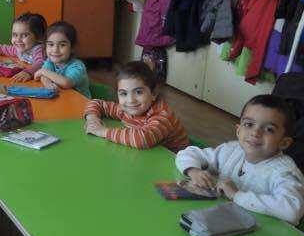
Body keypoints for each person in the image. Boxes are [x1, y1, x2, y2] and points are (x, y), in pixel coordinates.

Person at [176, 94, 304, 223]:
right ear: (238, 130)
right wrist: (194, 171)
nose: (255, 133)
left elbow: (292, 210)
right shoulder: (230, 150)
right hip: (223, 221)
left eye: (269, 129)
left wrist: (236, 195)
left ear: (284, 143)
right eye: (249, 124)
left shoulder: (285, 172)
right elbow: (188, 153)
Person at [83, 60, 189, 151]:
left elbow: (142, 139)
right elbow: (96, 103)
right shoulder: (124, 109)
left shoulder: (163, 116)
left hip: (175, 162)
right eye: (124, 93)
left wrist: (103, 131)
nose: (131, 100)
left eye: (138, 92)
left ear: (153, 93)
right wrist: (92, 118)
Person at [33, 21, 91, 98]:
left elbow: (66, 83)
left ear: (72, 47)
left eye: (62, 45)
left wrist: (43, 71)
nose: (55, 50)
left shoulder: (77, 66)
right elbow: (43, 76)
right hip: (62, 99)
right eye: (51, 44)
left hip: (80, 103)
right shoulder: (50, 61)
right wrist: (48, 84)